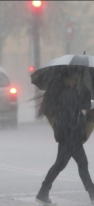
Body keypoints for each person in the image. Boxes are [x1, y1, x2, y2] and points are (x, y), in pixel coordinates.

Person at [36, 68, 94, 205]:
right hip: (70, 135)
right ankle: (92, 193)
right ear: (68, 79)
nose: (75, 81)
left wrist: (83, 91)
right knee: (82, 164)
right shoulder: (69, 93)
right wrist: (84, 91)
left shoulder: (66, 92)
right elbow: (81, 107)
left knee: (60, 165)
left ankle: (43, 192)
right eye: (74, 78)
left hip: (67, 134)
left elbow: (82, 106)